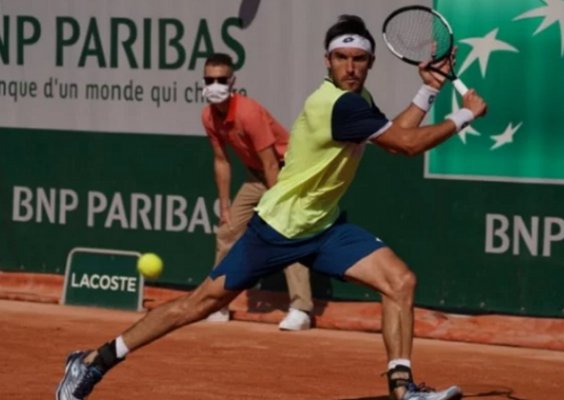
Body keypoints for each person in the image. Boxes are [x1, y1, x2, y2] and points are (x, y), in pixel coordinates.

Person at [55, 14, 486, 400]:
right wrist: (464, 116)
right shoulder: (337, 105)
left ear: (370, 63)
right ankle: (93, 362)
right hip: (277, 229)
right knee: (198, 304)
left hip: (324, 228)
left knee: (399, 281)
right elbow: (406, 146)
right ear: (327, 60)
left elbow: (394, 137)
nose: (350, 67)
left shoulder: (356, 98)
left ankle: (402, 388)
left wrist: (427, 89)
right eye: (342, 58)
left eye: (359, 59)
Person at [200, 52, 313, 330]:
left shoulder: (248, 112)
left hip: (284, 173)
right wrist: (224, 205)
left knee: (286, 232)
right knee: (227, 231)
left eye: (221, 80)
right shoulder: (208, 116)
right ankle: (218, 304)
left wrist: (278, 204)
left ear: (232, 81)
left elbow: (271, 161)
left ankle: (301, 309)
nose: (215, 85)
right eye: (209, 79)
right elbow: (221, 161)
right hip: (255, 178)